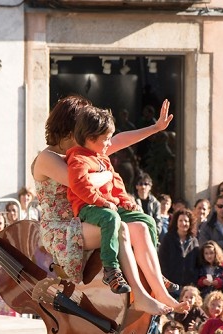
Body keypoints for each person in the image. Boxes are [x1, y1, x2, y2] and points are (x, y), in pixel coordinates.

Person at [32, 95, 187, 315]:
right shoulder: (47, 158)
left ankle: (159, 290)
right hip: (62, 227)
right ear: (73, 127)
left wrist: (155, 128)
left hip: (89, 216)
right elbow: (78, 185)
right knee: (120, 227)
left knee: (141, 226)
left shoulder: (88, 149)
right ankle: (140, 296)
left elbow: (120, 139)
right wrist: (106, 174)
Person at [66, 105, 161, 294]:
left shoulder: (102, 157)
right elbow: (79, 185)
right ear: (90, 138)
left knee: (147, 220)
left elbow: (116, 181)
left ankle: (151, 268)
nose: (110, 143)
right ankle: (111, 268)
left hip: (109, 205)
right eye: (106, 139)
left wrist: (126, 200)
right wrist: (102, 202)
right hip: (89, 207)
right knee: (111, 218)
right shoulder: (78, 158)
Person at [158, 209, 199, 293]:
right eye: (180, 220)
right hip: (170, 286)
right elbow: (162, 261)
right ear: (176, 222)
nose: (183, 223)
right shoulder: (168, 238)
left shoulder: (194, 241)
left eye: (186, 221)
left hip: (188, 287)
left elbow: (197, 263)